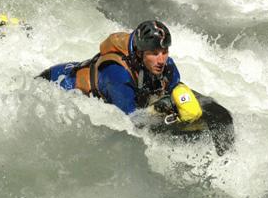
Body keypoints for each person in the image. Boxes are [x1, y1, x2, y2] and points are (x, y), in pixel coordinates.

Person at [38, 20, 202, 123]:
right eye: (154, 53)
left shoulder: (162, 62)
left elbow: (174, 84)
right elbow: (131, 121)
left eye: (164, 51)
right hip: (55, 84)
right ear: (139, 53)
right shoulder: (117, 75)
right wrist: (156, 110)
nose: (161, 60)